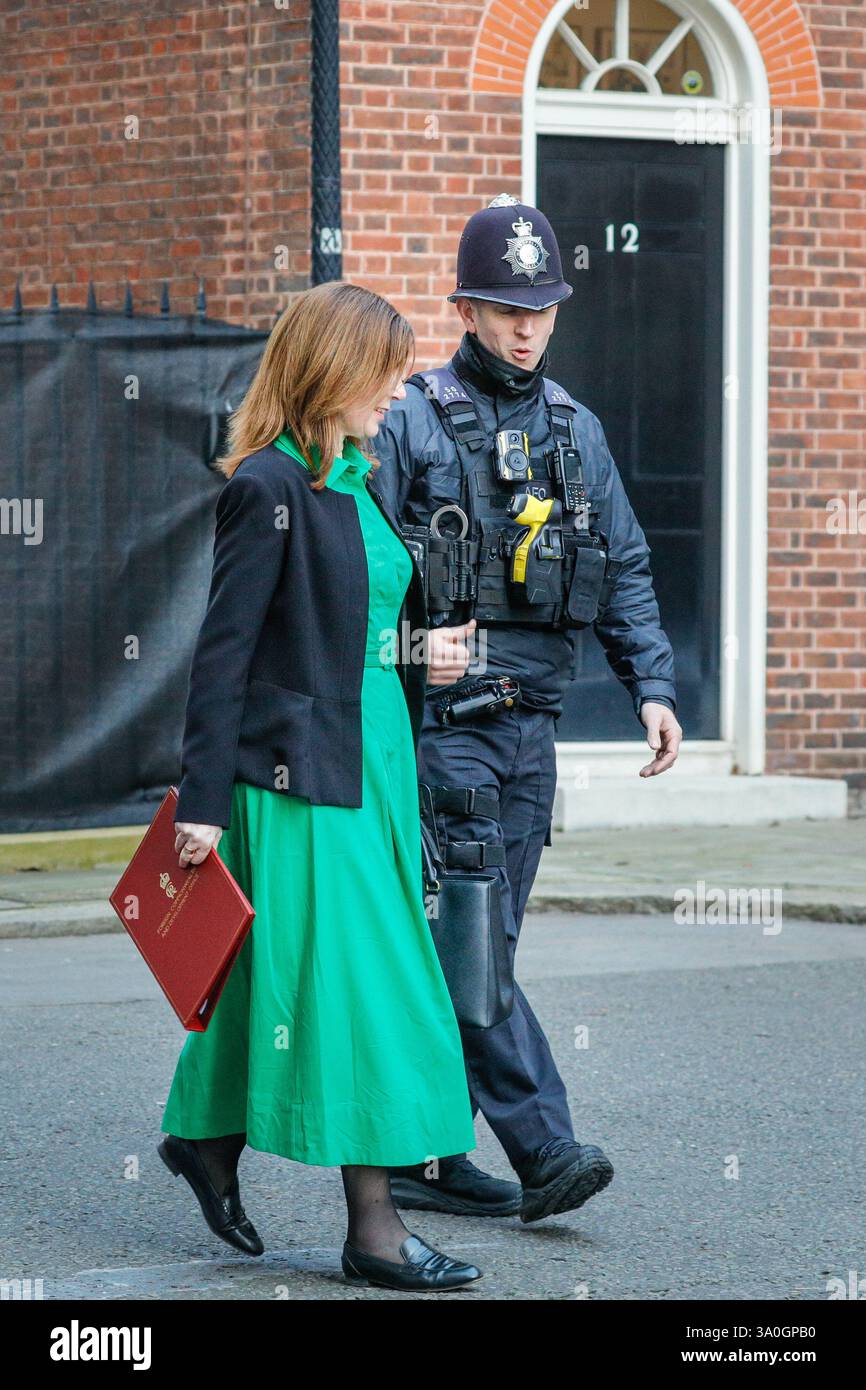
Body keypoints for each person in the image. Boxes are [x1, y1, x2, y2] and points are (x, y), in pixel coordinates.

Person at [158, 280, 485, 1293]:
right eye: (383, 373)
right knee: (370, 995)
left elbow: (354, 625)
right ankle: (373, 1230)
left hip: (377, 763)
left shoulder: (355, 474)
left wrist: (416, 649)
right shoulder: (267, 486)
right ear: (332, 371)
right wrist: (202, 803)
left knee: (284, 978)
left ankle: (204, 1139)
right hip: (303, 784)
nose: (396, 390)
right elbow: (224, 656)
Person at [370, 194, 683, 1224]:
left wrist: (651, 685)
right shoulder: (408, 422)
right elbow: (351, 580)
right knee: (469, 937)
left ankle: (423, 1148)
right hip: (445, 735)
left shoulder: (576, 430)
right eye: (503, 305)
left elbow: (624, 566)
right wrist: (411, 649)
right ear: (463, 306)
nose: (524, 324)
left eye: (540, 305)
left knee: (483, 943)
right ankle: (544, 1147)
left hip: (530, 734)